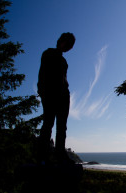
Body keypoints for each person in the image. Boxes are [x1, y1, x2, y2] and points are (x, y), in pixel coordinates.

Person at [37, 32, 75, 164]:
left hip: (64, 95)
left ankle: (60, 154)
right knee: (48, 124)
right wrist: (42, 91)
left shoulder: (64, 60)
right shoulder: (48, 53)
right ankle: (42, 155)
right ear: (63, 42)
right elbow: (42, 74)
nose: (70, 48)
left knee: (62, 126)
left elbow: (63, 79)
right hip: (51, 93)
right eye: (69, 45)